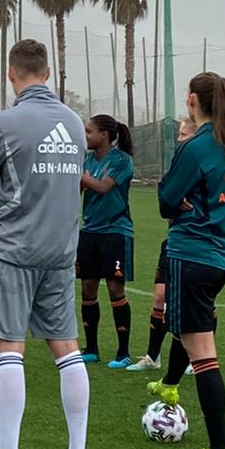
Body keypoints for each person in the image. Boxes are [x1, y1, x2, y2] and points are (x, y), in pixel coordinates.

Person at [0, 40, 92, 449]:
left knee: (7, 347)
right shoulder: (74, 122)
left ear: (10, 74)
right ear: (48, 72)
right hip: (62, 249)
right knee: (66, 347)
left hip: (15, 248)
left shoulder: (5, 123)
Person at [148, 72, 225, 449]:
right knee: (193, 333)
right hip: (221, 257)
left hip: (192, 254)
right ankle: (169, 386)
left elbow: (165, 202)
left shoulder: (197, 147)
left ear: (192, 101)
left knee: (203, 354)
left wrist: (179, 197)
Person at [127, 116, 195, 372]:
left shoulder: (203, 163)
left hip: (195, 245)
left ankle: (195, 358)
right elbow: (165, 196)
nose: (178, 139)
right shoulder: (180, 163)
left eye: (184, 134)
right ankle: (153, 357)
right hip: (173, 241)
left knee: (196, 304)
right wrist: (172, 197)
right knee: (160, 297)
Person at [78, 114, 136, 367]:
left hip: (116, 231)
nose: (86, 136)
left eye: (89, 131)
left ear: (104, 135)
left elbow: (102, 187)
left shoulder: (121, 160)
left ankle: (123, 352)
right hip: (89, 231)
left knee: (115, 289)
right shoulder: (87, 159)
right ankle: (91, 348)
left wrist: (77, 173)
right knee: (88, 289)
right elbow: (78, 189)